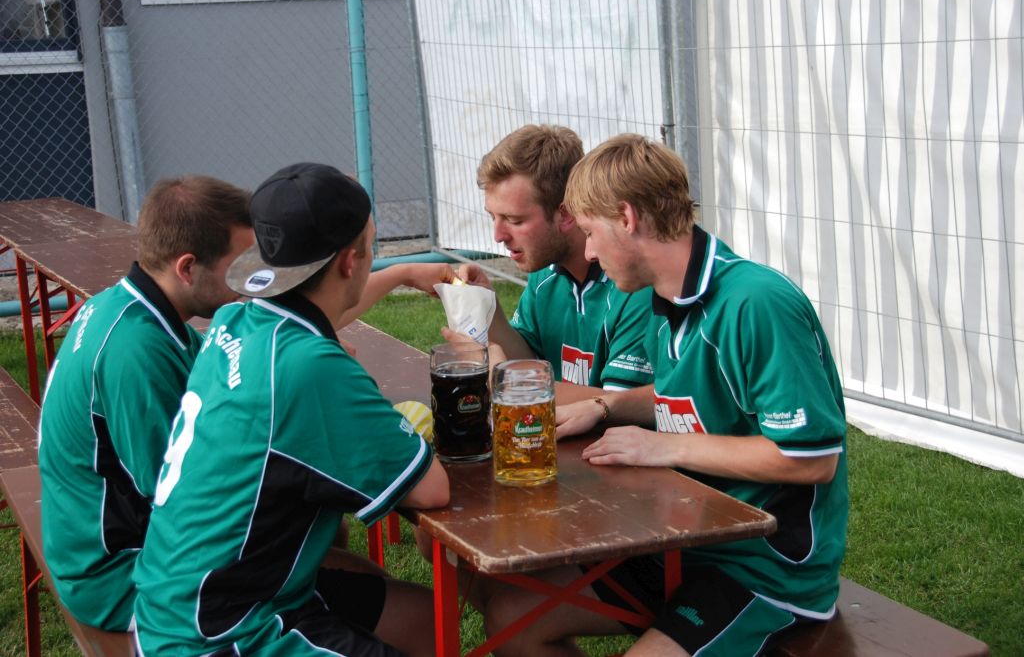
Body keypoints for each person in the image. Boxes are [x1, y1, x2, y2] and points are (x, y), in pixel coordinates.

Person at [481, 134, 849, 657]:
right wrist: (607, 406)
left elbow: (810, 457)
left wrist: (664, 446)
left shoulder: (756, 303)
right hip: (679, 544)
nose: (588, 250)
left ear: (626, 218)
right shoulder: (664, 294)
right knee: (511, 618)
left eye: (591, 232)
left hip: (760, 567)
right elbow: (694, 395)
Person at [132, 163, 449, 656]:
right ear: (350, 261)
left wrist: (402, 274)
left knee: (425, 621)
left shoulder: (235, 318)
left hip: (180, 601)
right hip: (221, 634)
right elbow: (431, 489)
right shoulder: (309, 366)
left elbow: (322, 312)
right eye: (372, 245)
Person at [37, 175, 254, 631]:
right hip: (118, 576)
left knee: (312, 534)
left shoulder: (130, 306)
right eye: (239, 265)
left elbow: (217, 385)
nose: (249, 279)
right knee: (305, 537)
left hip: (112, 547)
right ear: (187, 268)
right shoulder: (136, 351)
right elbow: (181, 499)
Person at [455, 124, 653, 390]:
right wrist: (487, 309)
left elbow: (615, 405)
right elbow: (527, 359)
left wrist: (507, 379)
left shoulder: (631, 283)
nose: (498, 235)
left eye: (514, 220)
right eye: (492, 217)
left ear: (567, 214)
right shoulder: (545, 274)